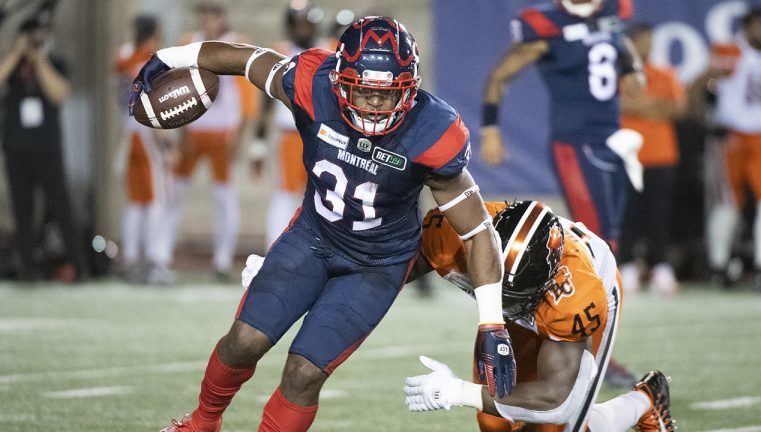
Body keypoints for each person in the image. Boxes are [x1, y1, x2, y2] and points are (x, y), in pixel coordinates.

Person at [130, 16, 512, 432]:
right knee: (244, 342)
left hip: (376, 264)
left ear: (410, 89)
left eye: (388, 95)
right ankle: (202, 422)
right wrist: (167, 57)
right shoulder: (312, 83)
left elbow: (477, 232)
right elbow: (243, 58)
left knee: (303, 372)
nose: (374, 106)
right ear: (340, 78)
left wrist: (492, 323)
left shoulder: (433, 130)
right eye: (364, 91)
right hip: (313, 236)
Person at [479, 0, 644, 389]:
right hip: (575, 143)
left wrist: (634, 66)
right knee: (598, 248)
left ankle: (586, 347)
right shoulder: (544, 25)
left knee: (610, 243)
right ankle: (587, 351)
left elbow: (620, 41)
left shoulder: (614, 12)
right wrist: (490, 130)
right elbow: (498, 76)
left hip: (612, 140)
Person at [401, 200, 676, 432]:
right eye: (497, 288)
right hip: (524, 303)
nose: (503, 299)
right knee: (494, 423)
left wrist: (456, 391)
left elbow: (556, 400)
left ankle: (645, 401)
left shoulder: (573, 297)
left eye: (514, 294)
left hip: (589, 284)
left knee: (556, 425)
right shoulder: (456, 234)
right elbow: (389, 273)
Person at [159, 1, 259, 281]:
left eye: (211, 16)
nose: (206, 21)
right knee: (174, 193)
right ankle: (161, 254)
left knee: (224, 197)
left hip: (222, 131)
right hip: (194, 129)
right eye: (202, 16)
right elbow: (177, 89)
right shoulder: (188, 43)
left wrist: (239, 133)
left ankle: (222, 259)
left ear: (221, 18)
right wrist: (180, 130)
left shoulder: (235, 44)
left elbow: (247, 96)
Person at [0, 16, 86, 281]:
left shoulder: (55, 62)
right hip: (16, 148)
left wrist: (39, 60)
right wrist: (17, 54)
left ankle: (78, 268)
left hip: (47, 148)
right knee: (22, 210)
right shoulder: (12, 66)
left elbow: (60, 93)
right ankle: (25, 267)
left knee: (61, 207)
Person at [618, 23, 687, 296]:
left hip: (660, 156)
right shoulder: (618, 75)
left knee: (658, 216)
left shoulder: (664, 74)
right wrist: (654, 106)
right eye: (641, 41)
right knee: (627, 217)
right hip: (627, 156)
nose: (646, 46)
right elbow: (619, 104)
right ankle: (627, 267)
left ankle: (660, 268)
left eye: (649, 40)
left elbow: (678, 109)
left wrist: (639, 105)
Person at [702, 7, 761, 290]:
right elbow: (710, 84)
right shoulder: (729, 49)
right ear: (747, 26)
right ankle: (719, 263)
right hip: (731, 136)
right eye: (758, 25)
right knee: (728, 203)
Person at [255, 1, 325, 248]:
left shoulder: (330, 51)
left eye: (307, 22)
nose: (303, 29)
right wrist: (258, 144)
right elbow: (265, 103)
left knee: (325, 198)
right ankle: (272, 252)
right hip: (291, 136)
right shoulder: (280, 53)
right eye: (298, 24)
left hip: (325, 137)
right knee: (285, 195)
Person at [114, 14, 174, 284]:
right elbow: (157, 103)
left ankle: (130, 258)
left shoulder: (123, 56)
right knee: (156, 201)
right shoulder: (154, 59)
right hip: (148, 134)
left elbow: (120, 96)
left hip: (129, 133)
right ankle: (155, 260)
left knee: (136, 202)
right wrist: (167, 142)